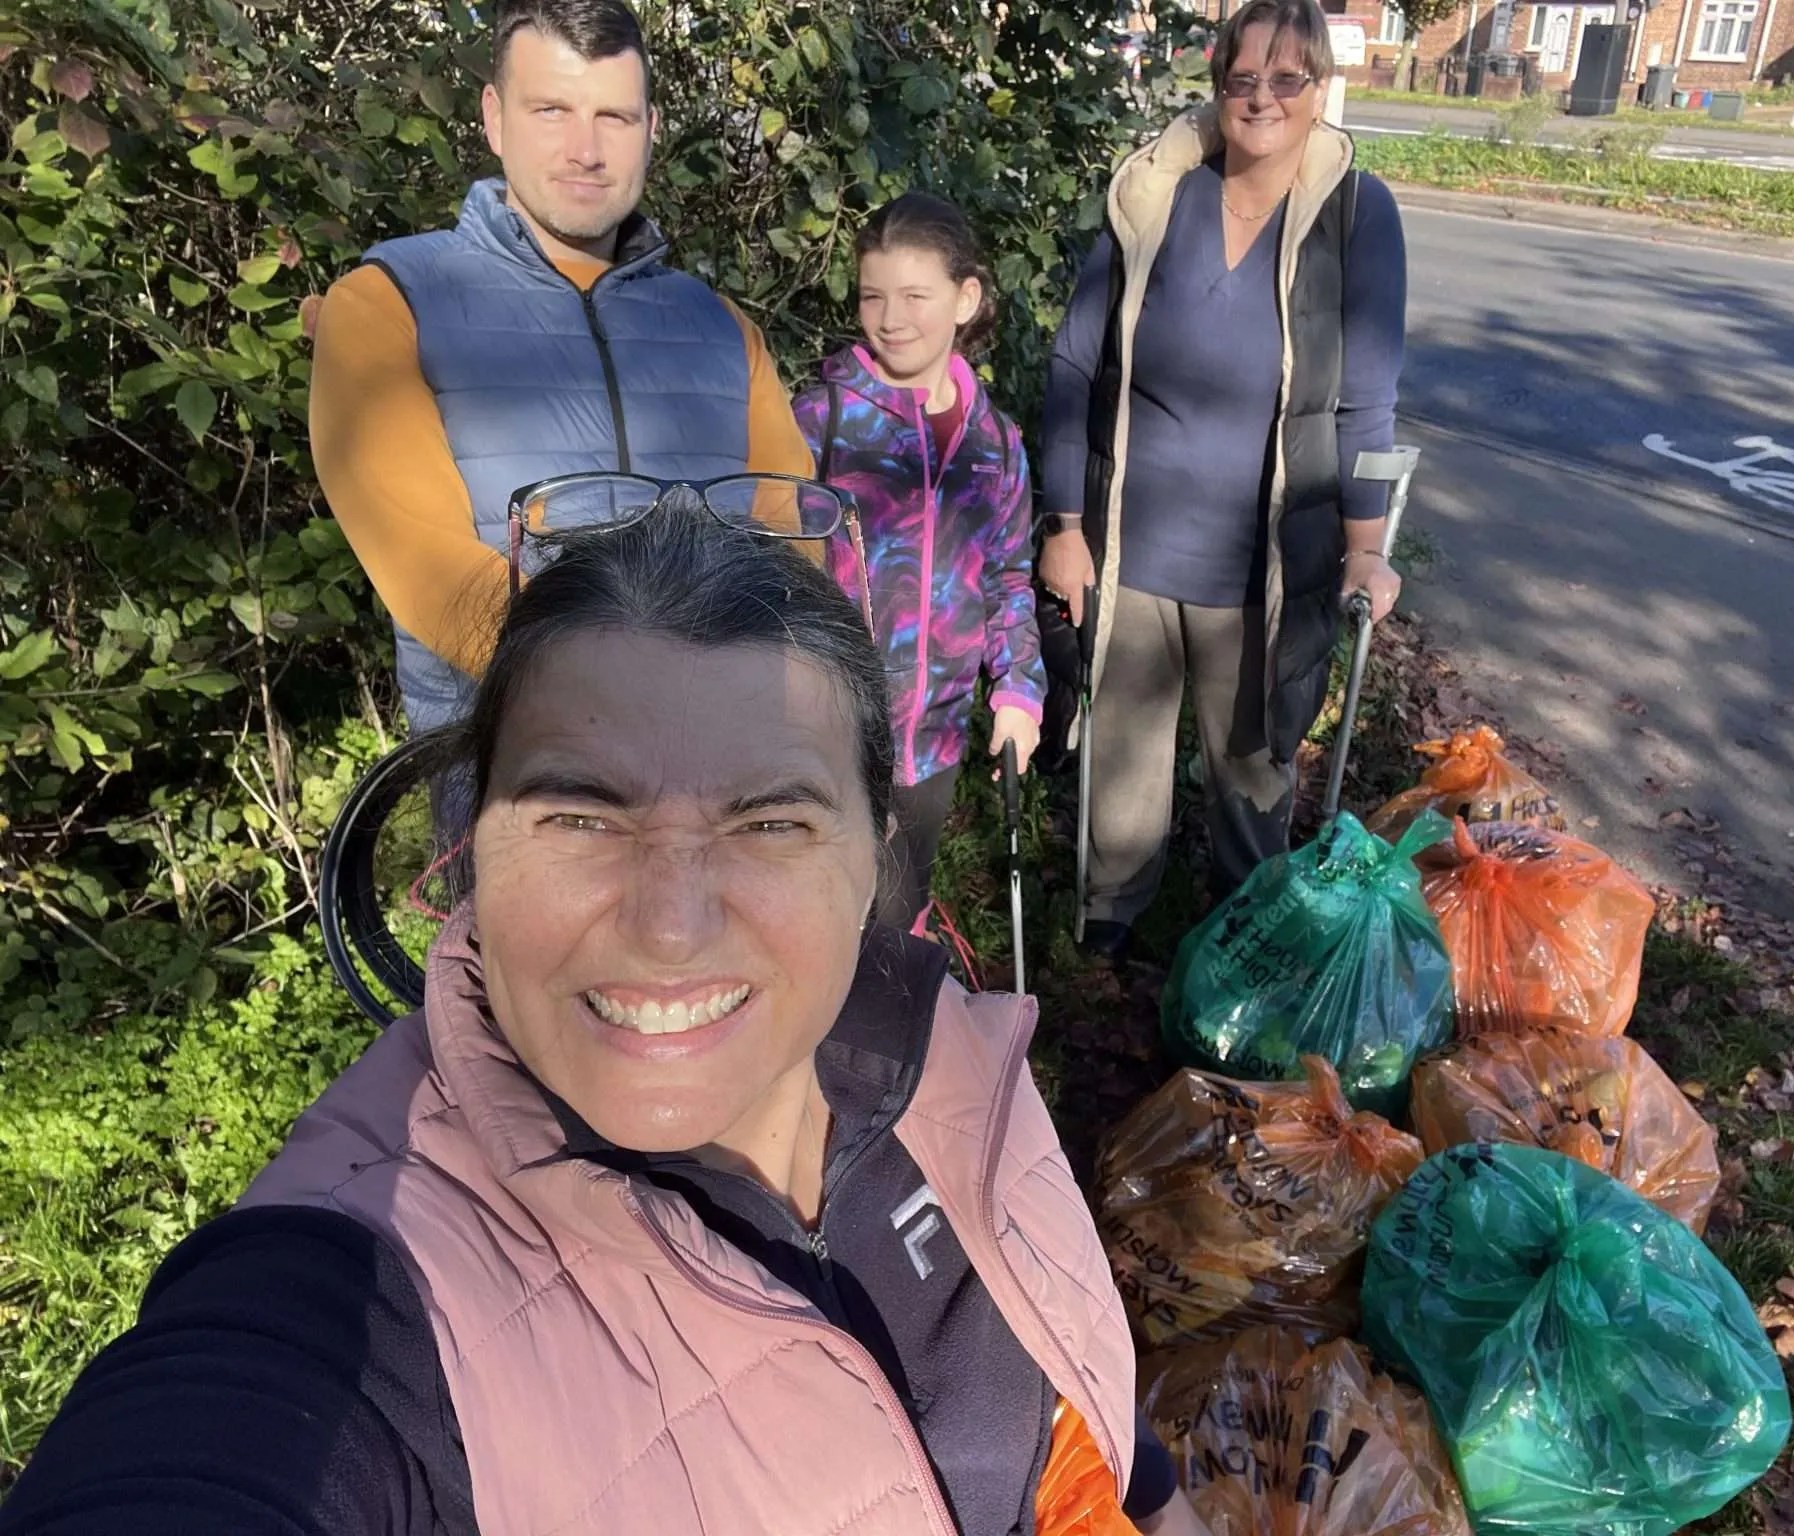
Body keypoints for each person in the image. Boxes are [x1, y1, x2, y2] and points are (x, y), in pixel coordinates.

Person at [0, 497, 1209, 1535]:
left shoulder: (951, 1048)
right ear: (474, 854)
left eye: (769, 819)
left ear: (873, 863)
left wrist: (1153, 1496)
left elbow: (1055, 1366)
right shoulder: (361, 1274)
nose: (669, 925)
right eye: (581, 814)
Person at [309, 0, 814, 735]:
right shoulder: (388, 307)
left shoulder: (723, 330)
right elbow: (432, 570)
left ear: (651, 130)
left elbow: (791, 549)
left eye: (614, 116)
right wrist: (624, 704)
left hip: (726, 761)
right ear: (493, 117)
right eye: (552, 110)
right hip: (515, 779)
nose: (586, 149)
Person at [1038, 0, 1408, 961]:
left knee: (1253, 784)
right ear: (1217, 87)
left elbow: (1367, 400)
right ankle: (1107, 943)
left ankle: (1241, 962)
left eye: (1288, 79)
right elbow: (1076, 362)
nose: (1264, 98)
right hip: (1137, 547)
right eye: (1244, 78)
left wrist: (1366, 550)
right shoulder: (1157, 196)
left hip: (1267, 568)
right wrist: (1065, 523)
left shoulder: (1357, 216)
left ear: (1321, 91)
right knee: (1119, 786)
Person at [792, 194, 1045, 932]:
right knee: (813, 928)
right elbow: (770, 566)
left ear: (966, 299)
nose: (890, 317)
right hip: (824, 733)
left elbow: (1008, 580)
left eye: (914, 296)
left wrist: (1019, 694)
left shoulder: (995, 444)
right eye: (873, 296)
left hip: (931, 745)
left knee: (896, 929)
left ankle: (882, 1048)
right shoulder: (823, 422)